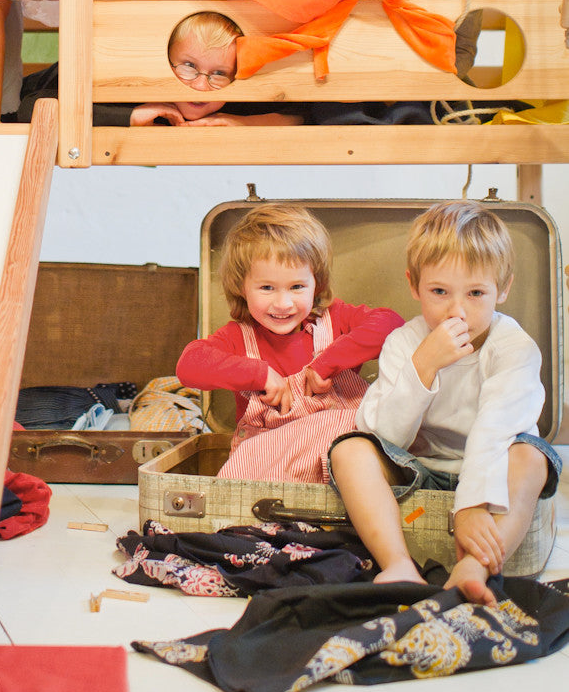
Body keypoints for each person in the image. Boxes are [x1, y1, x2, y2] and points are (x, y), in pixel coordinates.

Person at [328, 200, 562, 606]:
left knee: (533, 458)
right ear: (414, 286)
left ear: (502, 288)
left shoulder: (513, 348)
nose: (457, 311)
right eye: (439, 292)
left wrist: (472, 505)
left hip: (495, 470)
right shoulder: (405, 342)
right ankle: (398, 562)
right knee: (349, 450)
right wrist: (423, 366)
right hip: (422, 468)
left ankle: (475, 564)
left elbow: (497, 429)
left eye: (476, 293)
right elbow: (384, 436)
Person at [177, 204, 403, 482]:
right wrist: (259, 374)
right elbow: (189, 365)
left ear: (316, 284)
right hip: (271, 469)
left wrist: (326, 365)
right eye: (267, 288)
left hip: (342, 469)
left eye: (297, 287)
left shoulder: (336, 320)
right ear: (240, 286)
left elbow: (391, 324)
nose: (283, 304)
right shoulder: (238, 337)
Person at [129, 11, 303, 129]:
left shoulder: (244, 102)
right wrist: (130, 115)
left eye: (219, 74)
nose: (201, 86)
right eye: (189, 66)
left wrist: (244, 122)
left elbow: (301, 115)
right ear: (167, 60)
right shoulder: (132, 91)